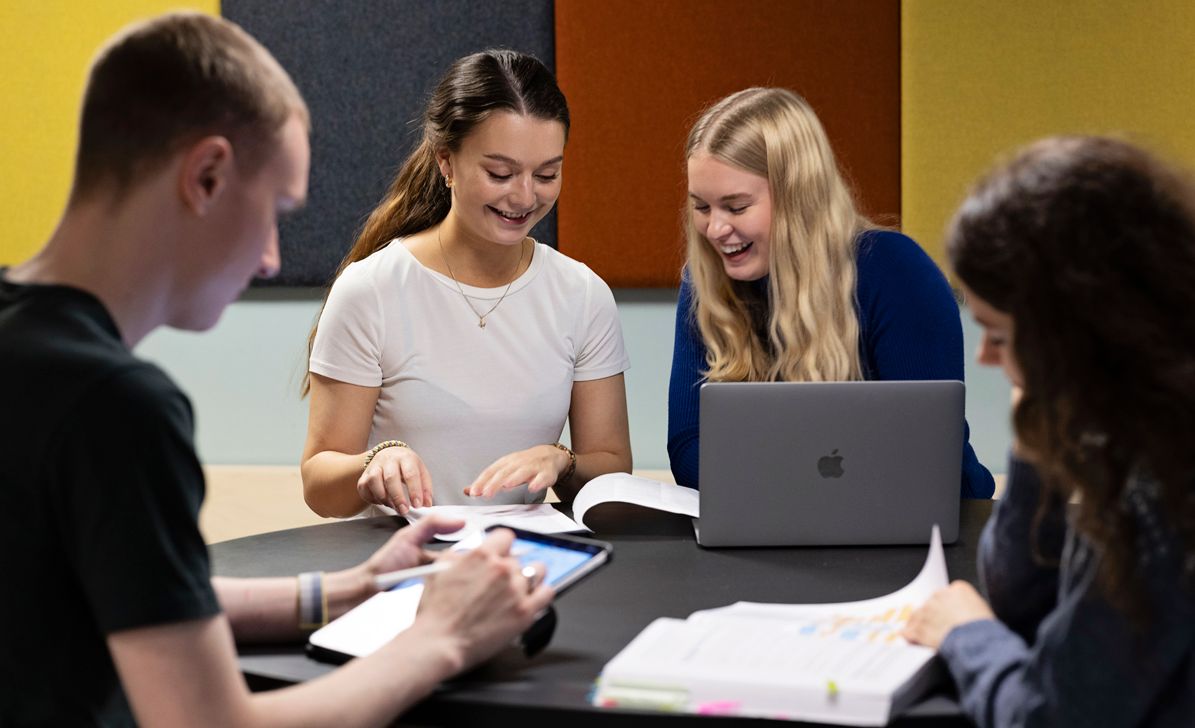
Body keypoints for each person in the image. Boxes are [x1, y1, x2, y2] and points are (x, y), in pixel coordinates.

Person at [0, 13, 553, 726]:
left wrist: (352, 590)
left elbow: (130, 594)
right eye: (273, 212)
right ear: (206, 176)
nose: (269, 258)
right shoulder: (115, 406)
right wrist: (440, 639)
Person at [903, 136, 1195, 726]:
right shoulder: (1133, 426)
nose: (985, 356)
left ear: (1074, 327)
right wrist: (1034, 443)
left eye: (1001, 335)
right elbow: (1025, 604)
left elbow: (1046, 714)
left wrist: (966, 635)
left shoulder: (1159, 485)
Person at [301, 49, 632, 518]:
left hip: (529, 566)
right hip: (405, 566)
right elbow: (319, 485)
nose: (524, 196)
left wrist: (563, 461)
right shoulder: (370, 290)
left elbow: (613, 472)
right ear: (446, 163)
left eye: (547, 174)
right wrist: (375, 462)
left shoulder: (583, 295)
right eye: (500, 173)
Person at [668, 87, 993, 498]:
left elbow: (926, 453)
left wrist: (767, 476)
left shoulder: (896, 272)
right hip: (779, 527)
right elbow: (688, 451)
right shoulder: (704, 285)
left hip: (935, 530)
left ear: (797, 197)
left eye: (735, 207)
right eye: (701, 207)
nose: (715, 229)